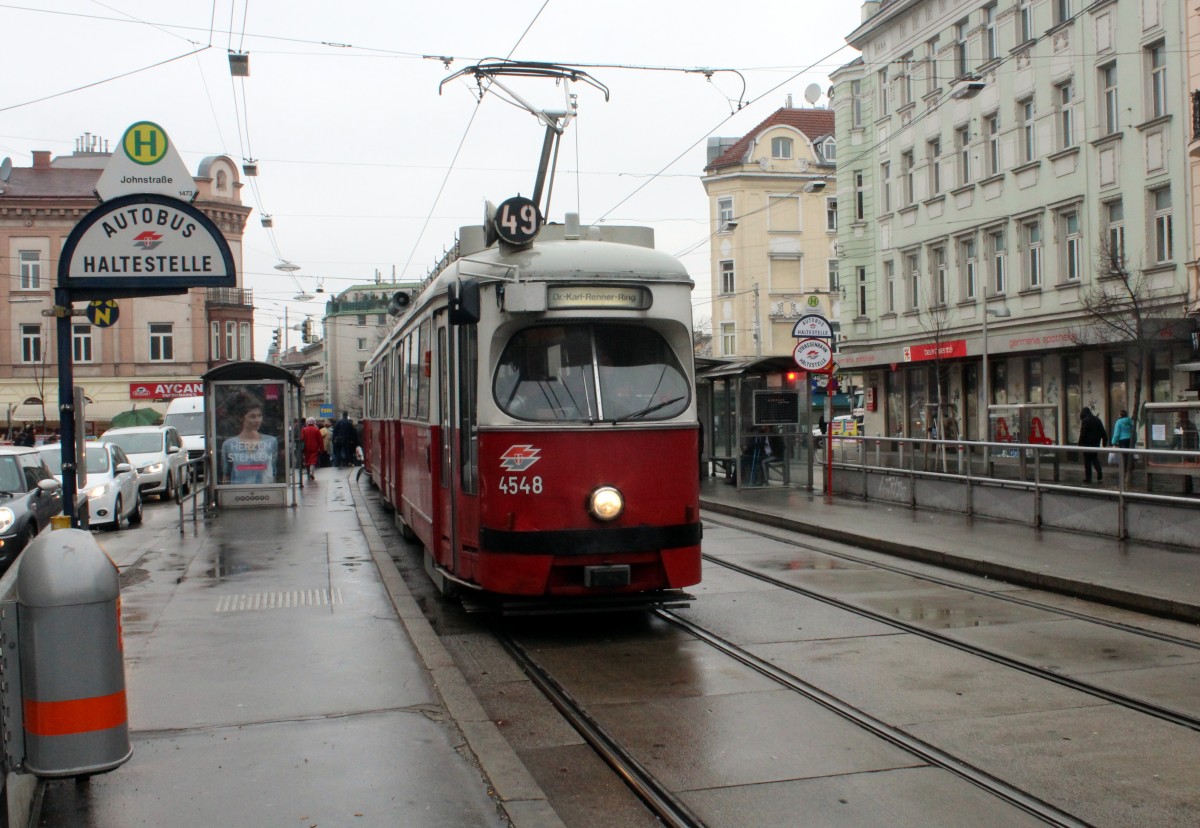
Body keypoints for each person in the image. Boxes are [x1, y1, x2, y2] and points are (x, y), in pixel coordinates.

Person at [221, 391, 278, 485]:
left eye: (259, 416)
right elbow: (226, 474)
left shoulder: (271, 441)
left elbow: (273, 472)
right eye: (252, 416)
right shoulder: (229, 445)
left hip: (265, 493)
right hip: (238, 494)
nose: (257, 420)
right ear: (241, 418)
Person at [1077, 406, 1108, 484]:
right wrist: (1104, 442)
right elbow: (1103, 432)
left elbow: (1083, 433)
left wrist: (1080, 443)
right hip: (1095, 443)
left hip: (1086, 443)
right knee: (1094, 458)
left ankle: (1088, 478)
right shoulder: (1097, 420)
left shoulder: (1085, 421)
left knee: (1087, 461)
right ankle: (1099, 470)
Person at [1111, 409, 1135, 476]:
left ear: (1120, 415)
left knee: (1124, 455)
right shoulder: (1130, 421)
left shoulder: (1118, 422)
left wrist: (1113, 442)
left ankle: (1124, 470)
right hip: (1130, 439)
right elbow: (1134, 430)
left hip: (1122, 440)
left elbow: (1116, 434)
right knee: (1130, 454)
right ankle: (1131, 467)